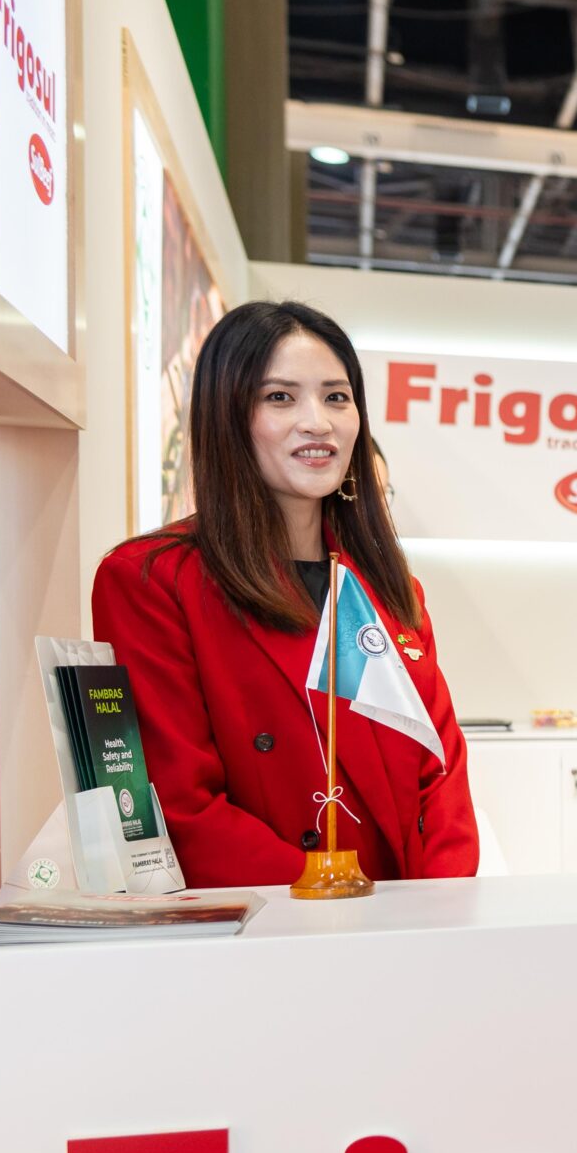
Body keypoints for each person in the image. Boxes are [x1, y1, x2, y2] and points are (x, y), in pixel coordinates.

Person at [93, 301, 478, 887]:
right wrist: (339, 903)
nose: (317, 422)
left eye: (336, 397)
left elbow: (440, 770)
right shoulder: (151, 581)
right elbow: (178, 808)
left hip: (404, 919)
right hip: (268, 922)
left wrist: (439, 906)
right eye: (280, 397)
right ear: (227, 416)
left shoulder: (389, 588)